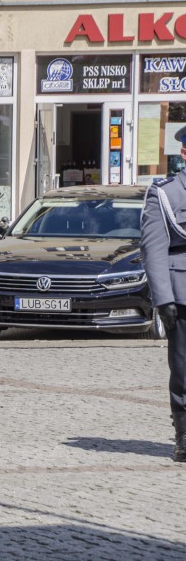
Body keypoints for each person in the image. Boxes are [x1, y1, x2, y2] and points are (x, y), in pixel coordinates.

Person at [140, 125, 186, 462]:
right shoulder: (166, 194)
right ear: (184, 153)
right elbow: (154, 249)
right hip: (181, 294)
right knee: (184, 370)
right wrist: (163, 299)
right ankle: (184, 436)